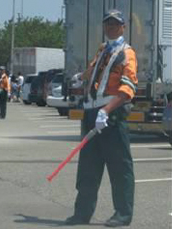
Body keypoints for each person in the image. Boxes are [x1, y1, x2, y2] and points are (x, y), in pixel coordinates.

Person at [65, 9, 138, 227]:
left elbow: (128, 89)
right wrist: (80, 77)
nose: (111, 28)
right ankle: (82, 213)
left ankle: (123, 215)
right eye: (108, 24)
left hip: (111, 116)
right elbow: (93, 71)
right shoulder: (103, 50)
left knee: (119, 168)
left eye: (115, 24)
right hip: (91, 113)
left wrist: (106, 111)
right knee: (88, 167)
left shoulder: (127, 53)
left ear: (123, 27)